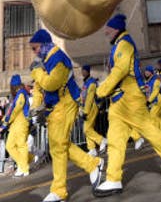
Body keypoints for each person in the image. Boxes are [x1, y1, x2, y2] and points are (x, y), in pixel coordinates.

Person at [93, 14, 161, 197]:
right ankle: (113, 178)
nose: (105, 32)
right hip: (118, 101)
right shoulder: (119, 45)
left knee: (148, 130)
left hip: (130, 97)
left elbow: (120, 71)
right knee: (115, 140)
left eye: (107, 28)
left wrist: (101, 91)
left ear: (116, 28)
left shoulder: (124, 44)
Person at [29, 29, 102, 201]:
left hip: (66, 104)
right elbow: (39, 88)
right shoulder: (45, 60)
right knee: (58, 146)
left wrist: (37, 72)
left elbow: (51, 84)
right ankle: (93, 165)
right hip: (55, 108)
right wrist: (35, 108)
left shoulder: (58, 58)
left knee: (59, 146)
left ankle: (59, 190)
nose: (34, 52)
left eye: (35, 48)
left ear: (44, 44)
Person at [2, 73, 33, 176]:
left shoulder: (21, 94)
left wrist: (7, 120)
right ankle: (27, 161)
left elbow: (16, 109)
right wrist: (5, 120)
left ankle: (24, 168)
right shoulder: (18, 95)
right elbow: (12, 110)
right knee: (9, 145)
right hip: (15, 124)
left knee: (21, 145)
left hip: (21, 122)